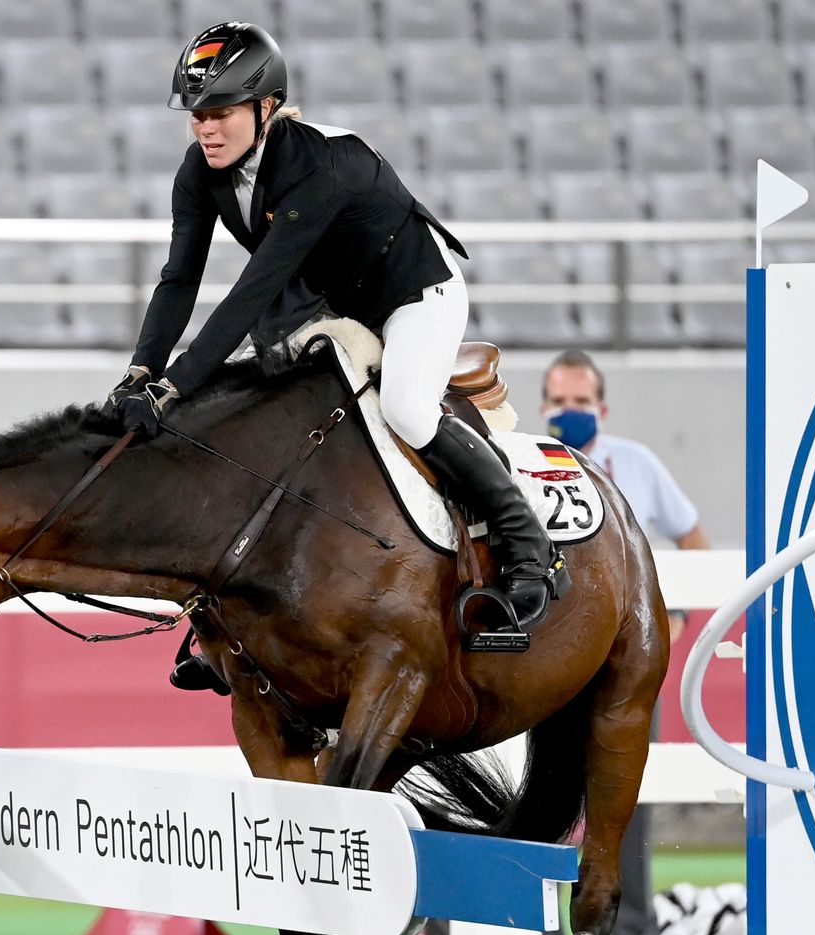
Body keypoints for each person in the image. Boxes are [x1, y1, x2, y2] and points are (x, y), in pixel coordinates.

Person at [109, 22, 552, 694]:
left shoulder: (314, 165)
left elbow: (251, 293)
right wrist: (143, 370)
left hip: (415, 293)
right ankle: (230, 622)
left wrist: (174, 388)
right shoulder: (199, 174)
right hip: (328, 299)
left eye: (221, 112)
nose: (207, 129)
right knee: (267, 417)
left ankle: (527, 546)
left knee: (404, 405)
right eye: (199, 115)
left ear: (265, 108)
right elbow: (179, 279)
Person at [544, 348, 707, 935]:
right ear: (543, 406)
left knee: (625, 809)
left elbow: (693, 536)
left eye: (580, 402)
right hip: (551, 668)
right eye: (559, 401)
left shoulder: (635, 465)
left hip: (622, 671)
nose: (569, 412)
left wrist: (669, 622)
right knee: (549, 804)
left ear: (602, 408)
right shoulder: (530, 461)